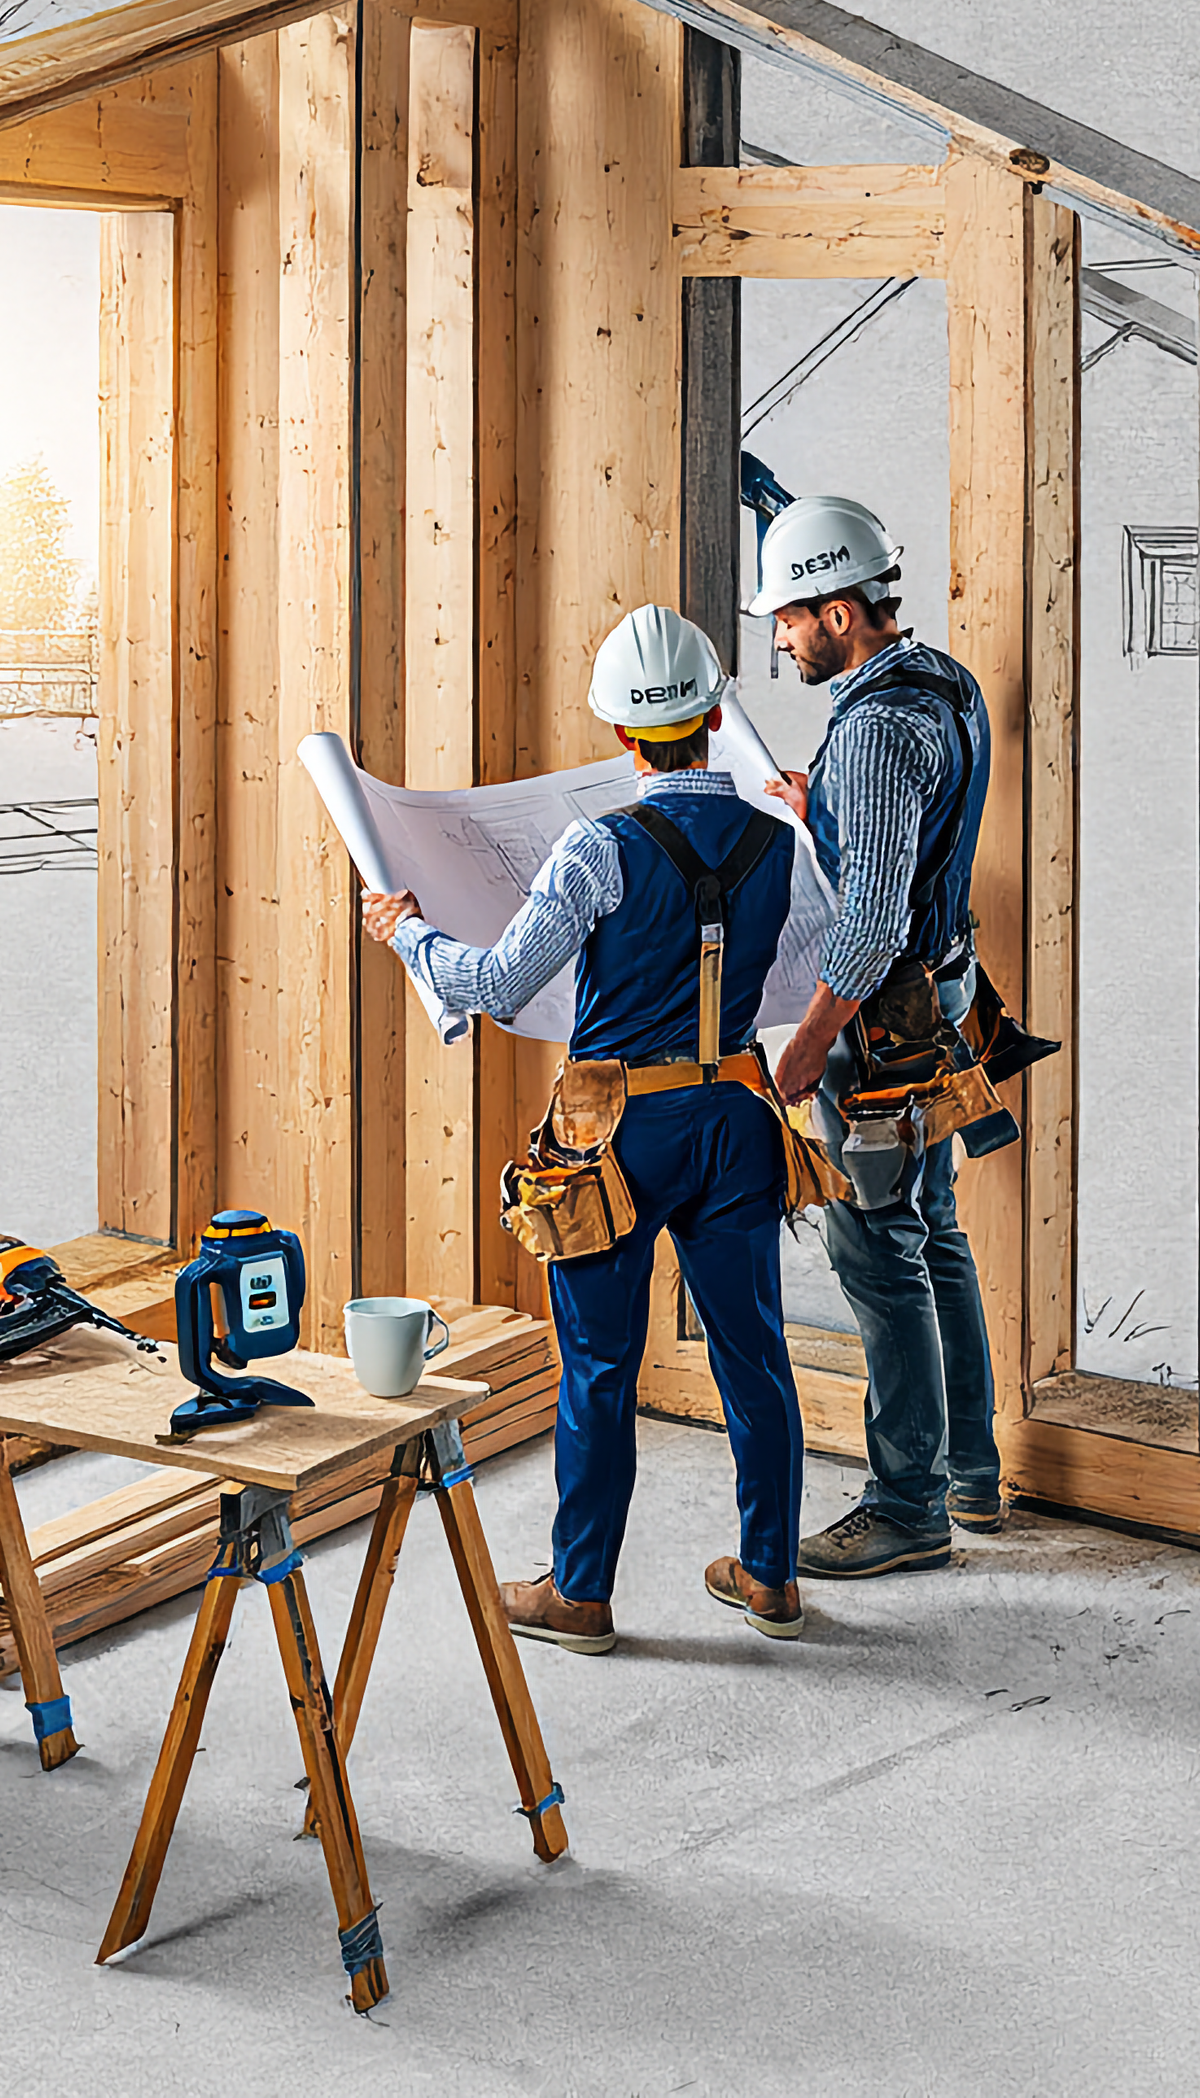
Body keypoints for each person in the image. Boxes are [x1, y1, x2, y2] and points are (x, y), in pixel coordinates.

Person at [360, 605, 806, 1653]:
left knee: (600, 1366)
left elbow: (498, 979)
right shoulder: (775, 837)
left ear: (619, 735)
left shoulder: (595, 846)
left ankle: (581, 1593)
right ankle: (772, 1576)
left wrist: (406, 931)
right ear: (710, 715)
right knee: (755, 1353)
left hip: (617, 1133)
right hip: (739, 1117)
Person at [757, 495, 1005, 1579]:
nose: (777, 635)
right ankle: (969, 1475)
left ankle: (906, 1504)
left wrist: (808, 1045)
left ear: (843, 611)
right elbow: (914, 830)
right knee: (932, 1232)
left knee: (876, 1252)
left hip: (883, 1034)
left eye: (790, 617)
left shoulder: (870, 730)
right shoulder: (941, 683)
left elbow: (868, 927)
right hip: (942, 1007)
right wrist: (829, 810)